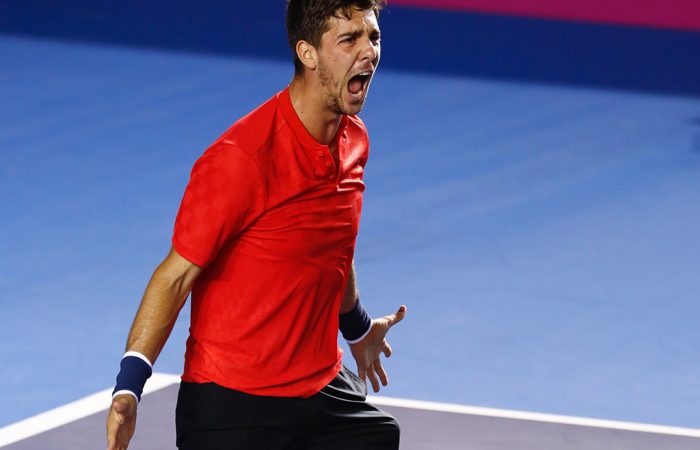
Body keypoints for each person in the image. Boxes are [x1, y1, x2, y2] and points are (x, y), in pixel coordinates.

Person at [105, 0, 406, 449]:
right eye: (350, 39)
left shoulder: (354, 139)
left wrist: (358, 328)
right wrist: (129, 387)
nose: (369, 51)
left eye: (373, 36)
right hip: (235, 403)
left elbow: (332, 245)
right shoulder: (241, 158)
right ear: (307, 53)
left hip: (319, 388)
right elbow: (174, 277)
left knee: (378, 437)